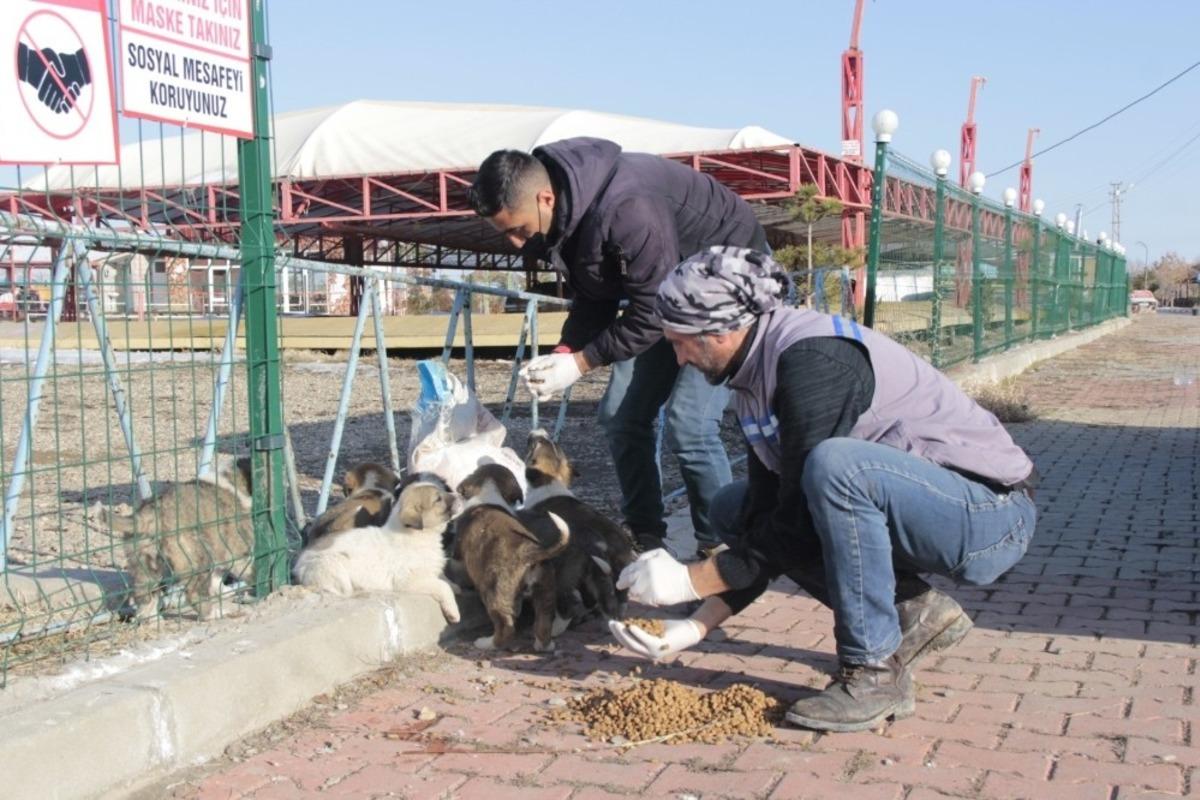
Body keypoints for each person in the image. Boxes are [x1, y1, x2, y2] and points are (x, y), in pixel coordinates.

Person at [611, 246, 1038, 732]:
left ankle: (874, 673)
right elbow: (771, 521)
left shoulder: (812, 363)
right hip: (931, 507)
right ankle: (913, 614)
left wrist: (694, 579)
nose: (680, 357)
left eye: (681, 342)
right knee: (736, 507)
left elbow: (796, 525)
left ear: (723, 330)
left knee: (837, 468)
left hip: (991, 516)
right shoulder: (753, 376)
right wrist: (694, 625)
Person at [468, 138, 769, 558]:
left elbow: (648, 311)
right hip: (667, 290)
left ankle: (721, 546)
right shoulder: (567, 217)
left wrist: (583, 362)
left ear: (544, 197)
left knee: (690, 423)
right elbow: (596, 294)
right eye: (507, 234)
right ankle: (645, 537)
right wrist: (565, 351)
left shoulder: (628, 208)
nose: (517, 243)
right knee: (622, 417)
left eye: (518, 229)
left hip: (728, 284)